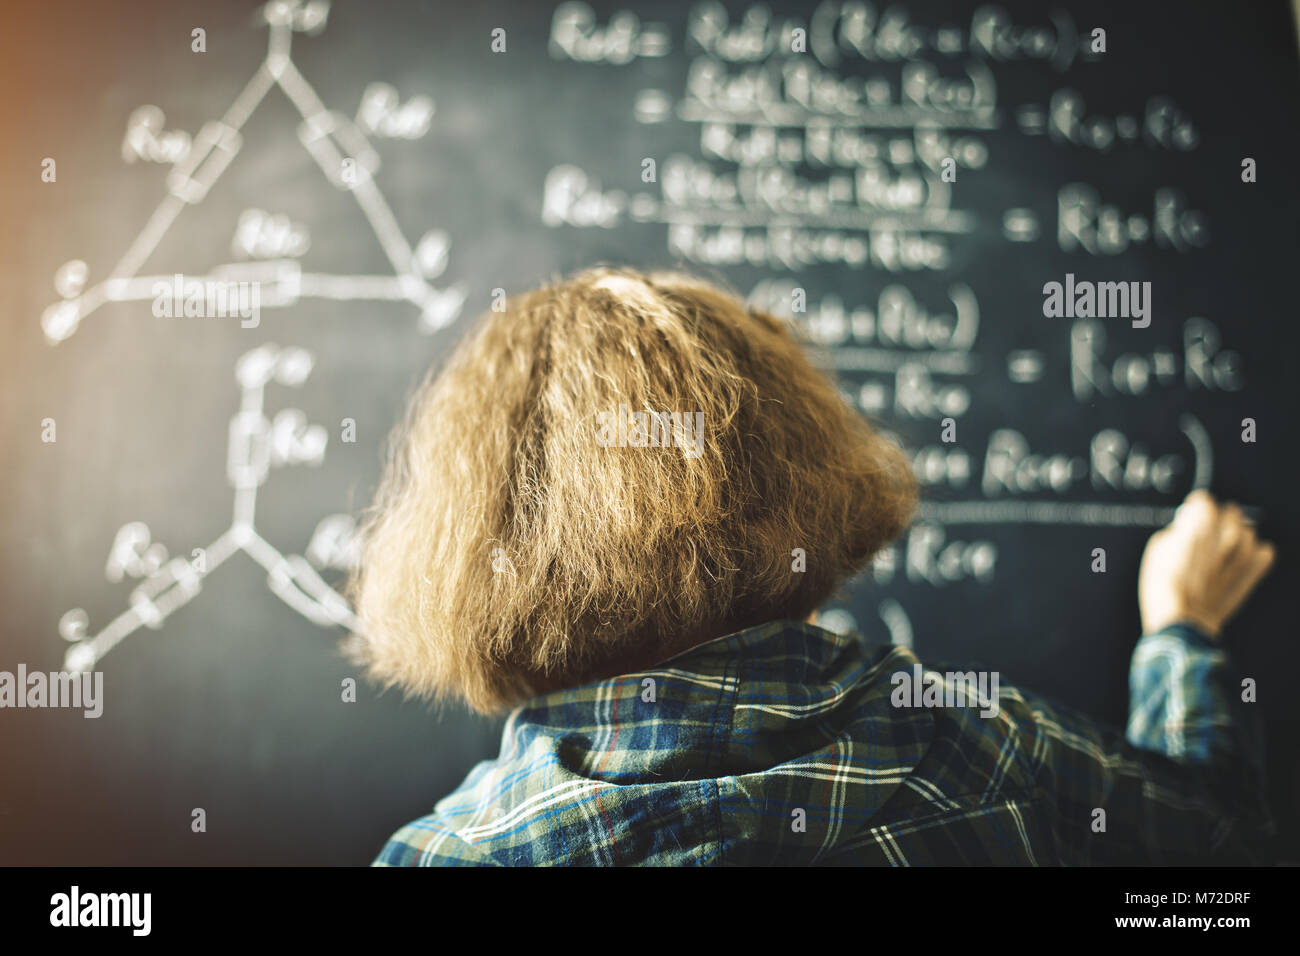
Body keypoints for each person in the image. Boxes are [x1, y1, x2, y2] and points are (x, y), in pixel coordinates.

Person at [348, 267, 1277, 865]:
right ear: (798, 464)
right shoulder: (981, 746)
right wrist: (1182, 634)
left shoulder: (443, 857)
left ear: (464, 544)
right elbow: (1221, 849)